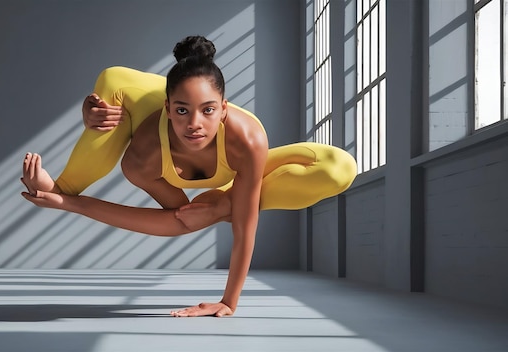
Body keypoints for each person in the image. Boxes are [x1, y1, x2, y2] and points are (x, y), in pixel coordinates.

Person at [21, 35, 357, 317]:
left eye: (208, 110)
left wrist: (229, 301)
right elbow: (177, 219)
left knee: (340, 167)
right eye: (182, 111)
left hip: (232, 165)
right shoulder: (142, 157)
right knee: (111, 83)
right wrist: (68, 199)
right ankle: (59, 184)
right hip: (139, 102)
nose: (194, 123)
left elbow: (244, 228)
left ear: (224, 109)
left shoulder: (247, 141)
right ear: (169, 110)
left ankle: (224, 202)